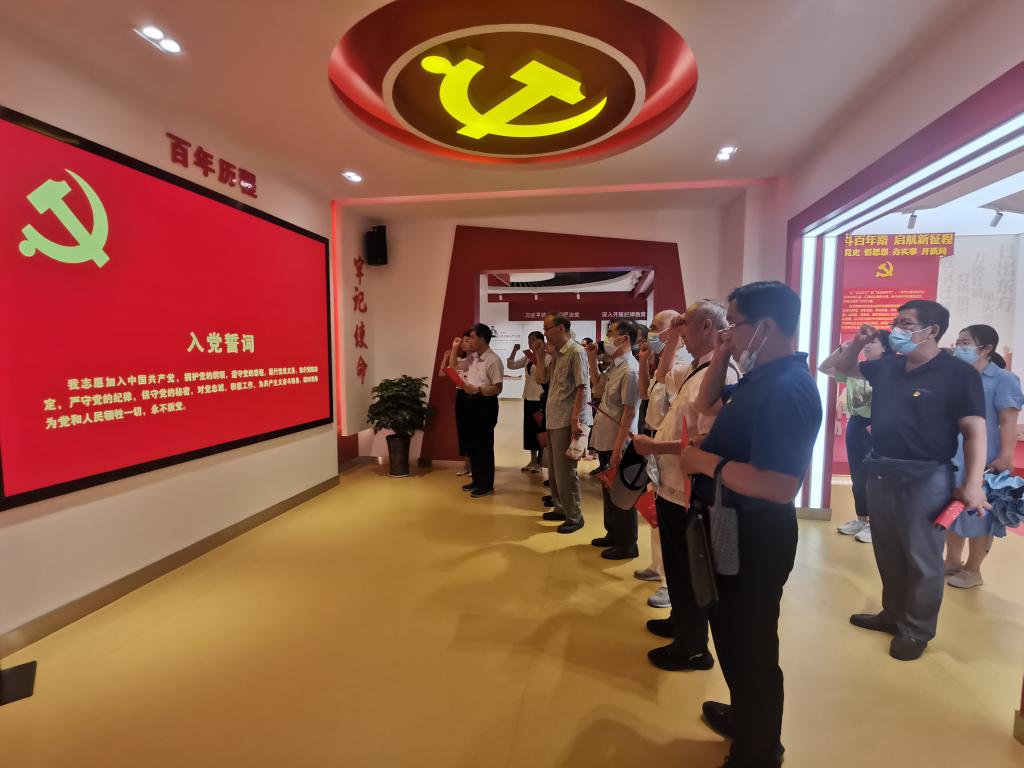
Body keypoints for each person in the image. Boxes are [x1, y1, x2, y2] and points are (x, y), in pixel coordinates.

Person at [679, 281, 821, 768]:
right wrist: (722, 352)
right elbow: (705, 404)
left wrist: (705, 463)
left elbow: (780, 485)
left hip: (757, 536)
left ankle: (759, 751)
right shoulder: (761, 377)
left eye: (734, 324)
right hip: (730, 527)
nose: (727, 332)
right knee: (731, 633)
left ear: (765, 327)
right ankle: (745, 716)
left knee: (753, 645)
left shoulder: (789, 389)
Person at [831, 300, 988, 662]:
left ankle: (916, 629)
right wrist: (857, 343)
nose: (896, 330)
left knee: (922, 557)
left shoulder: (957, 374)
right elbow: (842, 369)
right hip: (882, 470)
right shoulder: (889, 366)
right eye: (896, 322)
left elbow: (974, 430)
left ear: (932, 330)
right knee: (887, 551)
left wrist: (973, 481)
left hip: (927, 476)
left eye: (906, 324)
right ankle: (893, 614)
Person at [633, 299, 738, 672]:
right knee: (676, 566)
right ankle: (681, 622)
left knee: (689, 568)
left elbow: (709, 441)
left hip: (692, 490)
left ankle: (692, 646)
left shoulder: (721, 374)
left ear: (708, 326)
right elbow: (662, 378)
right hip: (673, 485)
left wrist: (654, 447)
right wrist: (676, 334)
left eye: (686, 324)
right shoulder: (696, 367)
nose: (680, 332)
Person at [944, 324, 1023, 588]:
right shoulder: (957, 376)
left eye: (966, 343)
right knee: (952, 509)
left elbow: (1008, 421)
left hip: (986, 459)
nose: (959, 347)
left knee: (979, 515)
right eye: (958, 342)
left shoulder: (1003, 379)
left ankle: (973, 569)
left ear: (987, 348)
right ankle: (951, 562)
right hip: (952, 455)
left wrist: (1006, 456)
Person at [817, 329, 895, 544]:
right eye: (866, 342)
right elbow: (824, 368)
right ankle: (861, 519)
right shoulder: (855, 369)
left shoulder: (891, 370)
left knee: (877, 476)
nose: (867, 345)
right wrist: (844, 349)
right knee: (858, 475)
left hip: (880, 425)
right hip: (857, 424)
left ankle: (876, 524)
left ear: (885, 347)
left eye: (873, 341)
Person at [586, 318, 642, 559]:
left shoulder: (630, 370)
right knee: (609, 489)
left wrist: (619, 449)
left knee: (620, 494)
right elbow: (598, 386)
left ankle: (627, 544)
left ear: (625, 339)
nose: (607, 338)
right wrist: (591, 359)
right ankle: (613, 533)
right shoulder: (615, 366)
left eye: (611, 333)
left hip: (618, 441)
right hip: (606, 438)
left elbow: (629, 412)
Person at [537, 313, 592, 534]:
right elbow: (542, 379)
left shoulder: (576, 351)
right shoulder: (558, 354)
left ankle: (575, 516)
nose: (545, 333)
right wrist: (540, 355)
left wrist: (575, 419)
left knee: (565, 471)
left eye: (547, 328)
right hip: (554, 418)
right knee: (554, 470)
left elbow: (582, 387)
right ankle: (561, 508)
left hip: (567, 420)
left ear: (560, 327)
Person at [455, 323, 504, 498]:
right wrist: (455, 348)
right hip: (471, 404)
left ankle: (486, 484)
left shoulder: (493, 360)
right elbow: (455, 367)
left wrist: (477, 390)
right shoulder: (474, 357)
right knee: (473, 444)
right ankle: (476, 480)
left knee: (484, 446)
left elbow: (497, 388)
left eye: (473, 337)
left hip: (485, 405)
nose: (470, 340)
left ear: (482, 339)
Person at [507, 331, 546, 472]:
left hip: (540, 399)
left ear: (540, 341)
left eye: (533, 339)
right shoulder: (528, 357)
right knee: (529, 430)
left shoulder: (546, 356)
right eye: (529, 339)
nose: (530, 342)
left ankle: (540, 462)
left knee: (540, 431)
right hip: (528, 397)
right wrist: (514, 351)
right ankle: (532, 460)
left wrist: (539, 360)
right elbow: (511, 365)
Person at [441, 330, 474, 477]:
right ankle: (467, 464)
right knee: (463, 430)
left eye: (468, 340)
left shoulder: (477, 360)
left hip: (473, 394)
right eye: (463, 341)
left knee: (473, 431)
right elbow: (442, 372)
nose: (464, 343)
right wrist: (446, 356)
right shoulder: (458, 360)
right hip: (461, 395)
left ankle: (474, 465)